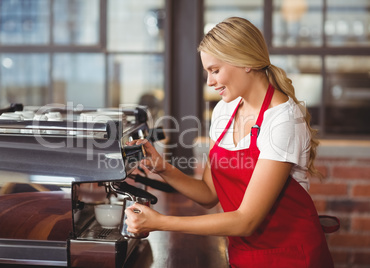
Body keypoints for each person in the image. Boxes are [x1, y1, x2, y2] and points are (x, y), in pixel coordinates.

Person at [125, 17, 334, 268]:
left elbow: (247, 221)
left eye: (215, 70)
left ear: (245, 62)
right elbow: (209, 195)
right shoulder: (225, 112)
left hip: (292, 258)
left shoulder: (282, 121)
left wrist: (160, 223)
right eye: (207, 72)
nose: (209, 82)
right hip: (243, 256)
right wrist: (162, 168)